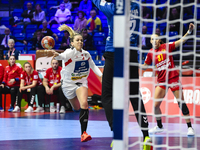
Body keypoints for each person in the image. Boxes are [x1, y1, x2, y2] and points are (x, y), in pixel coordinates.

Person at [91, 0, 153, 149]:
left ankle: (117, 133)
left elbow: (98, 2)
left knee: (106, 95)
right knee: (134, 95)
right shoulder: (137, 7)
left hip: (114, 53)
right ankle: (146, 136)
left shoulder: (114, 8)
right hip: (131, 54)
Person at [51, 24, 102, 142]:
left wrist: (102, 76)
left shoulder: (86, 54)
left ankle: (83, 133)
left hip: (81, 82)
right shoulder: (69, 52)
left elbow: (93, 67)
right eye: (77, 40)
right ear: (72, 43)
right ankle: (75, 108)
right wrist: (57, 55)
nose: (80, 42)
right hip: (68, 84)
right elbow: (61, 56)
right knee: (77, 108)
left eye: (81, 40)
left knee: (84, 104)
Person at [142, 23, 195, 136]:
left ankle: (190, 128)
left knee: (181, 103)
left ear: (159, 40)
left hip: (173, 78)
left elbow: (181, 41)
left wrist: (189, 32)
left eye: (156, 39)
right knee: (155, 106)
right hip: (161, 81)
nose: (154, 41)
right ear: (150, 41)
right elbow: (144, 67)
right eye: (152, 39)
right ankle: (159, 126)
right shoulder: (150, 53)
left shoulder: (166, 46)